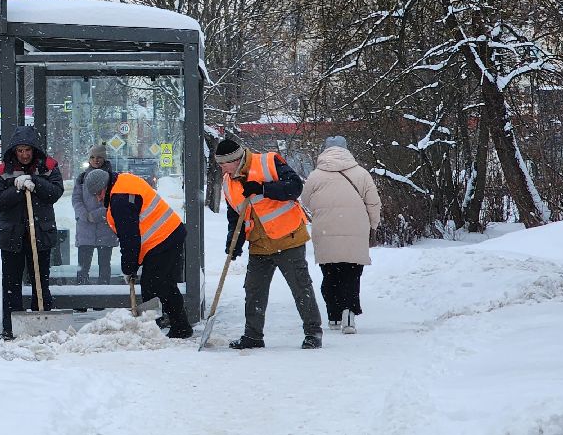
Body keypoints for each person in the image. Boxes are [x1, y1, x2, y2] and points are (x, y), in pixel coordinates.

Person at [215, 136, 324, 349]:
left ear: (235, 160)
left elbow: (294, 187)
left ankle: (313, 333)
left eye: (223, 164)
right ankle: (253, 336)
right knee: (254, 290)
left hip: (287, 238)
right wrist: (233, 244)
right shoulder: (228, 182)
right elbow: (235, 217)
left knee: (300, 287)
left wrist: (263, 188)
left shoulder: (268, 162)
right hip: (259, 243)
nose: (221, 168)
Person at [83, 166, 194, 338]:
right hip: (168, 234)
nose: (98, 199)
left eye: (99, 193)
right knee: (162, 284)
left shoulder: (120, 199)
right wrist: (132, 265)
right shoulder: (121, 182)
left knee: (155, 284)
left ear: (105, 186)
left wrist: (129, 268)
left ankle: (170, 326)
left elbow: (130, 238)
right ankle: (171, 324)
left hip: (163, 238)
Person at [0, 126, 63, 340]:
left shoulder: (48, 167)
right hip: (12, 237)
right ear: (14, 151)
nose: (24, 154)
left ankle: (41, 324)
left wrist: (35, 182)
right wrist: (17, 189)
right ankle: (11, 328)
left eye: (27, 150)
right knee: (11, 285)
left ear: (34, 150)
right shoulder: (3, 170)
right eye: (20, 150)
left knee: (40, 282)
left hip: (40, 235)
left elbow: (55, 193)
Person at [302, 135, 382, 335]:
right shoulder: (361, 173)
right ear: (346, 150)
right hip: (356, 229)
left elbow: (305, 201)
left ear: (325, 150)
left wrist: (322, 211)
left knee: (330, 274)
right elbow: (373, 202)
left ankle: (334, 315)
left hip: (325, 229)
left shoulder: (316, 175)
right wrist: (373, 225)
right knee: (352, 274)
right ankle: (349, 313)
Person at [72, 143, 118, 283]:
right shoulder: (82, 177)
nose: (95, 160)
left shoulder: (113, 178)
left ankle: (103, 294)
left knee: (104, 266)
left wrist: (97, 215)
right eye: (92, 157)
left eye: (99, 157)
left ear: (104, 158)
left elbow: (114, 202)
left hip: (105, 228)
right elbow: (76, 199)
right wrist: (84, 215)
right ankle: (81, 294)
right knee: (83, 267)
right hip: (85, 228)